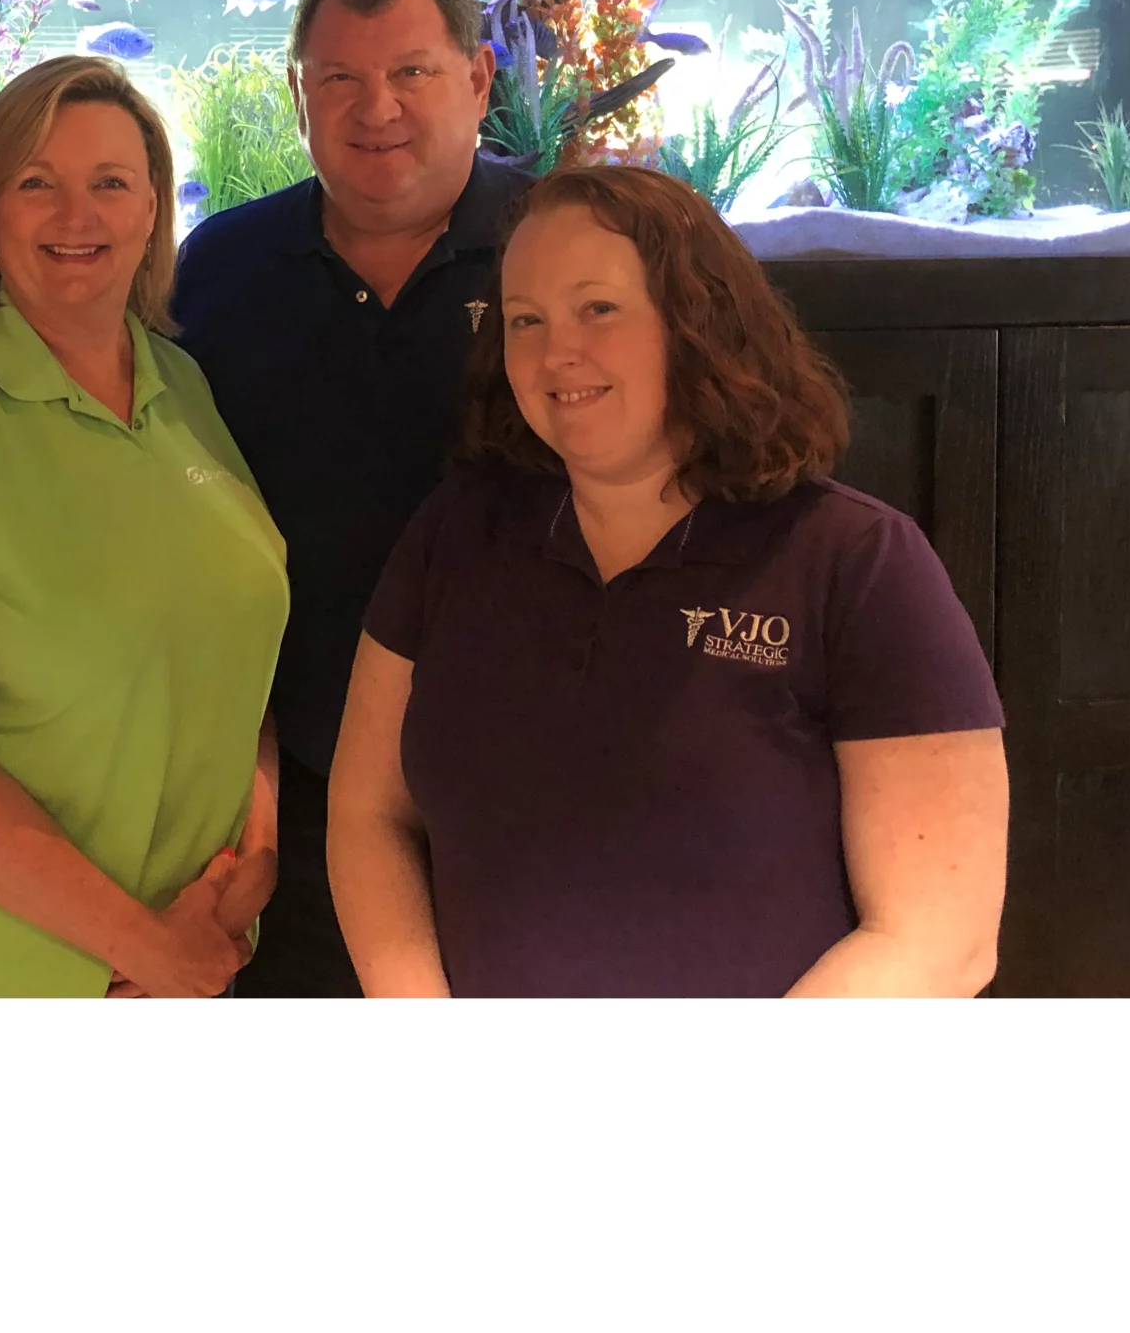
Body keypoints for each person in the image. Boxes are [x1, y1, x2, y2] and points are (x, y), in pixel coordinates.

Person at [329, 167, 1009, 999]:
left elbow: (940, 936)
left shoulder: (856, 562)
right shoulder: (457, 532)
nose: (556, 352)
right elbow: (369, 814)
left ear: (697, 321)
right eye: (525, 320)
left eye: (598, 308)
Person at [0, 56, 289, 999]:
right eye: (38, 183)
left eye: (111, 183)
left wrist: (253, 858)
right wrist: (145, 944)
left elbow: (236, 653)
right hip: (23, 971)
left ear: (153, 210)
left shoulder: (184, 388)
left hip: (202, 947)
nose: (76, 215)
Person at [171, 0, 528, 998]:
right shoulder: (222, 267)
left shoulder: (564, 245)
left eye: (412, 72)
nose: (377, 109)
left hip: (530, 783)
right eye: (340, 79)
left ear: (478, 79)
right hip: (288, 792)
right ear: (297, 95)